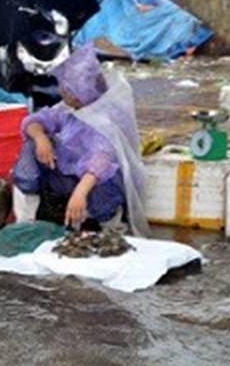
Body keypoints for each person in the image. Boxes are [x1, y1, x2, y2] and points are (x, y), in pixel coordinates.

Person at [11, 42, 149, 236]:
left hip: (99, 184)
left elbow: (101, 161)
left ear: (80, 94)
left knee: (103, 191)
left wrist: (80, 193)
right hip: (70, 177)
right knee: (31, 145)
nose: (62, 92)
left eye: (67, 89)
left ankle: (111, 225)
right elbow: (35, 121)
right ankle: (26, 221)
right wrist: (40, 137)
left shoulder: (105, 117)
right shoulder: (68, 109)